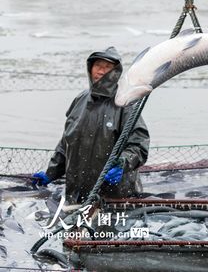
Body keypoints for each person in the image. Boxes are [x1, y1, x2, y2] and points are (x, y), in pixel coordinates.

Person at [32, 47, 150, 205]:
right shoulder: (80, 99)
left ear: (116, 72)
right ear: (90, 68)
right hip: (76, 194)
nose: (102, 71)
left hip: (115, 197)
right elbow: (66, 143)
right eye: (98, 66)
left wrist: (123, 163)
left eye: (108, 67)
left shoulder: (125, 103)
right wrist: (51, 172)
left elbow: (139, 145)